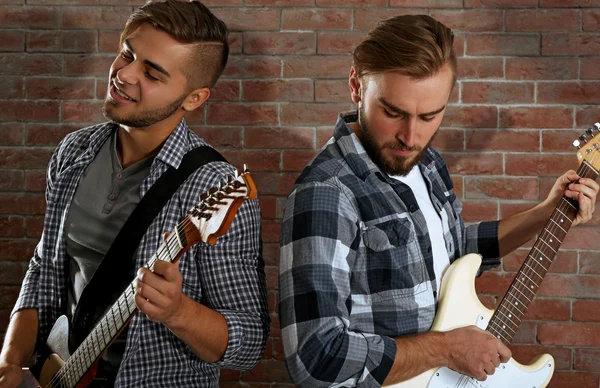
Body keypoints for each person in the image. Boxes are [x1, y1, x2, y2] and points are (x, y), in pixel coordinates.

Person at [278, 14, 599, 387]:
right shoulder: (327, 193)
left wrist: (546, 213)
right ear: (356, 86)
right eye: (392, 112)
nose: (410, 137)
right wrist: (446, 349)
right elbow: (317, 357)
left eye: (430, 115)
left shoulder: (426, 162)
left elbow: (453, 252)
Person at [0, 1, 269, 387]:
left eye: (152, 73)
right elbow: (44, 270)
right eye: (127, 53)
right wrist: (10, 360)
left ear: (193, 98)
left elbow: (249, 343)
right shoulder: (73, 152)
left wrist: (178, 312)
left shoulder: (215, 188)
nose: (123, 74)